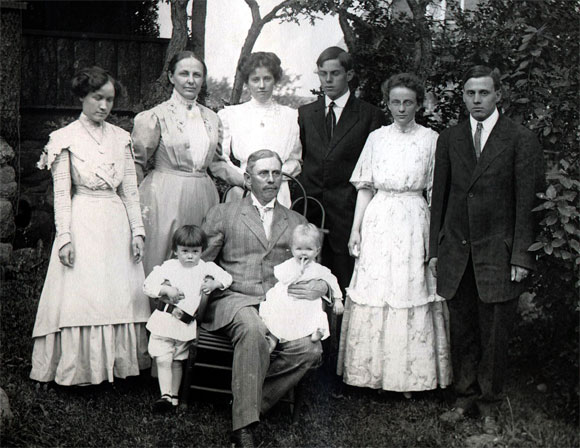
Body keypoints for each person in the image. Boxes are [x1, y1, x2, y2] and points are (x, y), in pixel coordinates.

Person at [428, 65, 544, 433]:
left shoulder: (520, 138)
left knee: (494, 334)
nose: (476, 100)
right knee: (462, 330)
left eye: (483, 93)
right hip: (458, 253)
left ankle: (490, 405)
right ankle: (464, 399)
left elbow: (528, 202)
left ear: (498, 95)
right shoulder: (450, 138)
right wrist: (435, 250)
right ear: (462, 96)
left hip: (499, 253)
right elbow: (440, 199)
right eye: (470, 94)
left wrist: (521, 256)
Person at [30, 66, 151, 386]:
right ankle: (80, 367)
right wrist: (65, 238)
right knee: (84, 293)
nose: (104, 106)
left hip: (115, 221)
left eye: (109, 100)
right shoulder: (64, 138)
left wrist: (137, 231)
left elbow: (129, 189)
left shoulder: (121, 138)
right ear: (82, 96)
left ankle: (119, 364)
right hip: (83, 218)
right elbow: (62, 193)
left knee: (118, 291)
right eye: (97, 98)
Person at [202, 150, 329, 447]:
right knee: (254, 329)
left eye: (276, 173)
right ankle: (244, 427)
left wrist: (321, 287)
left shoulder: (296, 219)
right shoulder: (224, 214)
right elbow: (201, 261)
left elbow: (312, 265)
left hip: (280, 305)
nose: (271, 179)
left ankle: (248, 403)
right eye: (263, 173)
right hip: (235, 298)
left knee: (310, 349)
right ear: (247, 179)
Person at [337, 73, 452, 396]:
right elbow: (365, 188)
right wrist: (356, 230)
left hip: (414, 219)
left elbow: (435, 193)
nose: (402, 108)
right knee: (377, 290)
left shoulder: (432, 139)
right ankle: (369, 375)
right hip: (379, 219)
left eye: (408, 102)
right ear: (387, 104)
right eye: (395, 102)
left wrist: (434, 240)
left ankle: (410, 379)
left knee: (409, 290)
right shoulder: (377, 138)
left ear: (419, 104)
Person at [132, 51, 241, 275]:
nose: (191, 80)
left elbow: (218, 164)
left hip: (204, 196)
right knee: (163, 258)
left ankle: (195, 309)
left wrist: (249, 180)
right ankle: (156, 307)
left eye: (197, 75)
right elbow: (136, 163)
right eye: (184, 74)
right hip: (164, 197)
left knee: (199, 258)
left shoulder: (212, 118)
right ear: (171, 77)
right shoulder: (155, 116)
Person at [298, 46, 386, 294]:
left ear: (349, 75)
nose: (327, 80)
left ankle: (341, 332)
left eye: (334, 73)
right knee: (306, 278)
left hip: (348, 212)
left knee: (345, 282)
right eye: (322, 73)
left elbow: (373, 170)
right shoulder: (305, 114)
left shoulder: (370, 116)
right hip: (310, 208)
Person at [143, 225, 232, 412]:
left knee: (177, 360)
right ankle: (164, 395)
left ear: (202, 251)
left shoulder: (205, 267)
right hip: (165, 319)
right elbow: (148, 285)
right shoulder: (169, 267)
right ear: (175, 250)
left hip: (185, 324)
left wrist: (215, 283)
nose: (190, 256)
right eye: (184, 251)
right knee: (162, 358)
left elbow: (227, 277)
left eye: (195, 251)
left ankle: (173, 397)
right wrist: (166, 289)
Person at [218, 52, 302, 207]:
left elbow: (295, 160)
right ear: (247, 82)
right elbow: (221, 159)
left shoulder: (290, 116)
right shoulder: (231, 115)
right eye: (255, 79)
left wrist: (275, 175)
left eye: (267, 78)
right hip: (244, 191)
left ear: (275, 80)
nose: (261, 85)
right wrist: (246, 180)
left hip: (279, 193)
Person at [259, 223, 344, 352]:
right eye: (299, 249)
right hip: (287, 299)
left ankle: (316, 331)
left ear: (317, 250)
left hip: (305, 303)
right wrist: (298, 272)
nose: (303, 253)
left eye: (309, 249)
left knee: (316, 311)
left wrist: (338, 299)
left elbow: (332, 280)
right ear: (292, 249)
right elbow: (281, 277)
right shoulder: (289, 265)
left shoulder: (318, 269)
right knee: (278, 314)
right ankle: (273, 338)